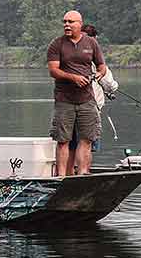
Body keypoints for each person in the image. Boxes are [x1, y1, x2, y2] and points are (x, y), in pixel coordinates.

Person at [47, 11, 107, 176]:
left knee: (86, 139)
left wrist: (98, 74)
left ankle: (82, 174)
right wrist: (73, 77)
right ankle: (61, 176)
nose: (67, 25)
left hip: (87, 99)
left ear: (80, 24)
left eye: (71, 22)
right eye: (65, 22)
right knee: (63, 140)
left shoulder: (91, 43)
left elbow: (102, 66)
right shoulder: (57, 44)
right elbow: (53, 70)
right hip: (64, 100)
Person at [65, 24, 119, 173]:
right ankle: (83, 174)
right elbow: (110, 85)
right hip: (89, 108)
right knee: (86, 143)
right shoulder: (95, 60)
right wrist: (112, 87)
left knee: (69, 145)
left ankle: (67, 176)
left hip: (67, 106)